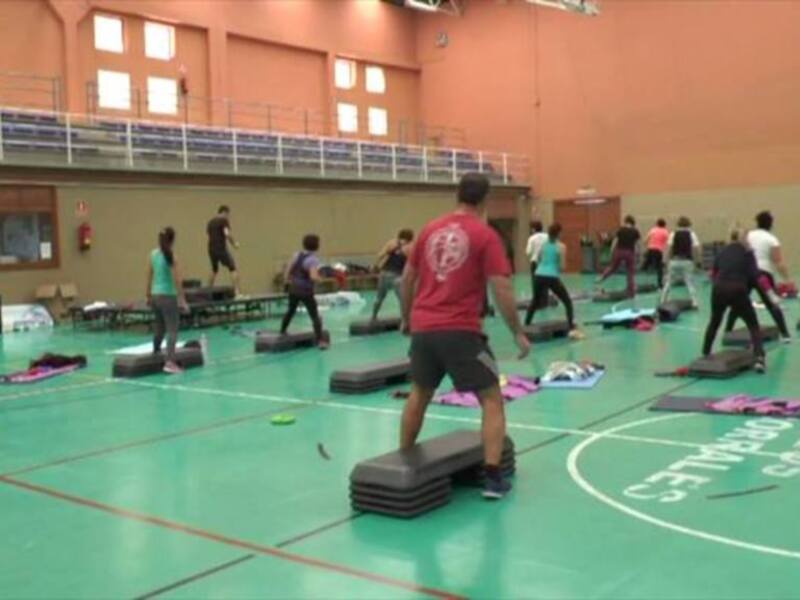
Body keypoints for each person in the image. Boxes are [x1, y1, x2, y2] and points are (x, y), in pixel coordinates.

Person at [399, 173, 530, 501]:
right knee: (491, 398)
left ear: (457, 195)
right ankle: (493, 478)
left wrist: (406, 318)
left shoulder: (429, 229)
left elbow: (407, 277)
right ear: (485, 200)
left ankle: (402, 461)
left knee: (420, 394)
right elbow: (501, 287)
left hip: (424, 329)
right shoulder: (485, 235)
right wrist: (517, 332)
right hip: (461, 332)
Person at [702, 229, 765, 373]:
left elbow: (714, 273)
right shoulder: (748, 253)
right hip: (737, 289)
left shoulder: (722, 252)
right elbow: (755, 275)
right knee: (753, 324)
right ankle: (759, 359)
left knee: (715, 321)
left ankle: (705, 352)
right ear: (745, 239)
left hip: (718, 288)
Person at [725, 211, 792, 342]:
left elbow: (737, 249)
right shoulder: (772, 239)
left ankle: (727, 331)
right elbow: (778, 262)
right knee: (772, 305)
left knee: (738, 303)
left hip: (746, 272)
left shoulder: (748, 235)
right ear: (771, 224)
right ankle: (785, 335)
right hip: (763, 273)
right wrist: (787, 279)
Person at [524, 223, 584, 340]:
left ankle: (526, 325)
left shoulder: (543, 245)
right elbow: (562, 266)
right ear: (559, 233)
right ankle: (571, 326)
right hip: (551, 276)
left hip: (538, 275)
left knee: (535, 301)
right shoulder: (561, 247)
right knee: (567, 301)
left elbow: (539, 259)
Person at [145, 227, 188, 375]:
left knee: (160, 328)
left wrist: (148, 295)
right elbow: (177, 280)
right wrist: (182, 300)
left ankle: (156, 351)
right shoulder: (171, 256)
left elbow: (149, 276)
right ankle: (169, 362)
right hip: (168, 296)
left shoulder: (152, 254)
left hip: (156, 295)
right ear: (172, 240)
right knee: (172, 329)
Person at [280, 234, 328, 350]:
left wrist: (287, 281)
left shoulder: (297, 255)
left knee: (290, 310)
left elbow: (288, 270)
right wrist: (321, 279)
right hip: (306, 291)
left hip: (294, 289)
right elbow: (313, 276)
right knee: (314, 315)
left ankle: (282, 331)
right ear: (316, 246)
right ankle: (321, 341)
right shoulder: (313, 260)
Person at [372, 229, 414, 321]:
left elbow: (380, 255)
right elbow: (412, 264)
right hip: (397, 276)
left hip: (384, 273)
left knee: (379, 297)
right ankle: (405, 319)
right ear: (411, 238)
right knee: (402, 299)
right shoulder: (410, 247)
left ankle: (373, 317)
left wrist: (375, 266)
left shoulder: (392, 243)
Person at [660, 216, 701, 308]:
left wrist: (665, 260)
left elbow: (668, 248)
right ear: (688, 224)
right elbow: (696, 249)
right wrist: (698, 261)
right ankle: (695, 302)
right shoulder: (691, 234)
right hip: (687, 261)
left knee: (669, 281)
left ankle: (663, 300)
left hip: (675, 261)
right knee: (689, 282)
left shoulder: (673, 234)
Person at [596, 215, 640, 298]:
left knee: (613, 267)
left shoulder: (620, 230)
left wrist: (612, 251)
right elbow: (636, 244)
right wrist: (637, 254)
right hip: (629, 252)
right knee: (630, 272)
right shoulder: (635, 231)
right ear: (633, 223)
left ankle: (601, 278)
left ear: (625, 221)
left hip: (619, 251)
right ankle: (631, 292)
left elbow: (615, 241)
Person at [207, 205, 241, 296]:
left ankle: (208, 292)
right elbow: (227, 234)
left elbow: (209, 234)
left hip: (211, 249)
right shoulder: (223, 221)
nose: (228, 217)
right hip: (221, 248)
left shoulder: (210, 222)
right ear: (224, 212)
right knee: (232, 268)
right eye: (228, 214)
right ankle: (237, 292)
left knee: (214, 270)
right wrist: (234, 244)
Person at [641, 218, 669, 288]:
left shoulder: (653, 230)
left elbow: (646, 240)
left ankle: (641, 281)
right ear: (664, 225)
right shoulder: (665, 231)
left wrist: (646, 246)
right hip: (658, 251)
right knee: (659, 268)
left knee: (645, 266)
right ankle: (660, 284)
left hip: (650, 249)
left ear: (657, 224)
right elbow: (667, 242)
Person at [525, 221, 547, 295]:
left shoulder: (532, 238)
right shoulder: (547, 236)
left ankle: (537, 299)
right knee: (545, 281)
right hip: (546, 262)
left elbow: (528, 252)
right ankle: (545, 299)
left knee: (536, 282)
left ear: (533, 229)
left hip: (535, 262)